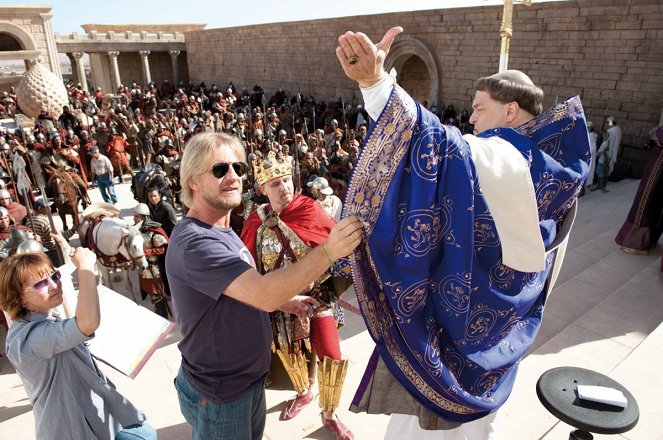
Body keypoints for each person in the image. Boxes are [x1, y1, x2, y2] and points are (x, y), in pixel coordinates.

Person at [335, 27, 590, 438]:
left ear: (511, 112)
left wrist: (376, 84)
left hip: (453, 339)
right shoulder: (551, 171)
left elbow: (437, 143)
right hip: (501, 339)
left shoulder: (506, 159)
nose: (470, 118)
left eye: (479, 108)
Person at [165, 132, 363, 440]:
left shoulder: (222, 227)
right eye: (219, 169)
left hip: (245, 383)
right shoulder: (198, 240)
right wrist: (328, 251)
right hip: (223, 395)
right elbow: (263, 292)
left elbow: (238, 289)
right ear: (193, 181)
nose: (232, 177)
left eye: (238, 169)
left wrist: (286, 301)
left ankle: (329, 411)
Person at [240, 152, 354, 440]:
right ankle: (304, 393)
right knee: (290, 356)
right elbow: (248, 268)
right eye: (276, 183)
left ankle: (330, 414)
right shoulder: (255, 221)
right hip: (280, 306)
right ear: (263, 189)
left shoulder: (310, 208)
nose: (285, 188)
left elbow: (337, 250)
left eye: (287, 180)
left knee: (332, 356)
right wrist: (277, 299)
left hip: (317, 298)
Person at [0, 248, 157, 440]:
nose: (54, 285)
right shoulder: (31, 337)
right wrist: (85, 267)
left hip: (90, 417)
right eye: (41, 284)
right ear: (18, 298)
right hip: (70, 430)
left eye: (54, 276)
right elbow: (87, 323)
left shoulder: (41, 319)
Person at [614, 125, 663, 255]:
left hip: (659, 168)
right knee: (655, 202)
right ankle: (650, 239)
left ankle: (637, 242)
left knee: (646, 200)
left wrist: (656, 132)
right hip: (658, 163)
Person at [133, 203, 171, 318]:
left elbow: (163, 249)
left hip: (154, 268)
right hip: (144, 268)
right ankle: (158, 309)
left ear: (144, 217)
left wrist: (146, 252)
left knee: (157, 294)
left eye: (137, 216)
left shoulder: (154, 231)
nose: (134, 218)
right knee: (151, 292)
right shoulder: (137, 230)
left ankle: (162, 316)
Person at [592, 116, 621, 193]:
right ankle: (602, 186)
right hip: (613, 153)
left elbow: (605, 143)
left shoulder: (610, 131)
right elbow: (611, 140)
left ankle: (600, 187)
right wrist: (603, 135)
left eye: (608, 123)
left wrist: (598, 152)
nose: (607, 124)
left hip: (605, 154)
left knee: (600, 170)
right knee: (607, 170)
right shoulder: (618, 130)